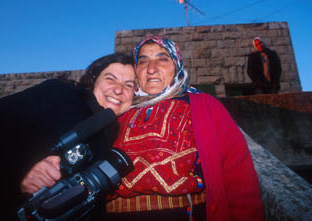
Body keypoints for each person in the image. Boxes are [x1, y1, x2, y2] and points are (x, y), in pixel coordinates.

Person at [105, 35, 264, 221]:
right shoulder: (120, 112)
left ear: (177, 65)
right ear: (136, 71)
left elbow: (239, 175)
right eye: (143, 61)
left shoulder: (205, 106)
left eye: (162, 58)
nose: (151, 69)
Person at [0, 52, 135, 220]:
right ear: (94, 79)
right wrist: (21, 173)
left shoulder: (121, 134)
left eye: (128, 85)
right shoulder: (59, 95)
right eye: (110, 78)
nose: (118, 89)